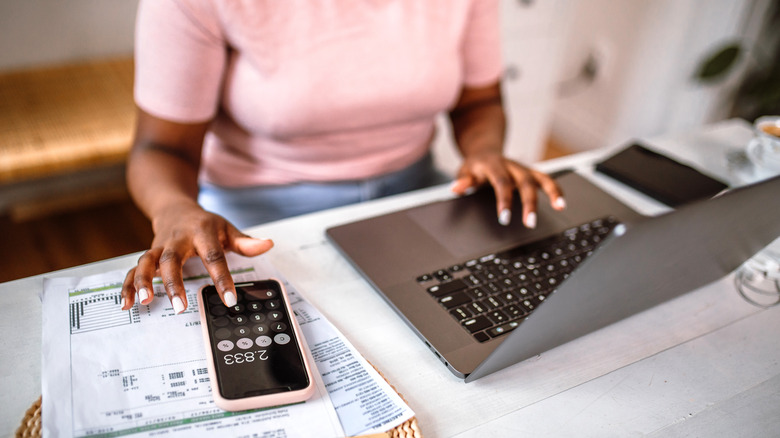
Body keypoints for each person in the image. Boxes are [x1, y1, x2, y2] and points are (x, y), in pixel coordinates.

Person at [120, 0, 566, 314]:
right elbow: (162, 148)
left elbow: (479, 101)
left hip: (411, 191)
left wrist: (484, 151)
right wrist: (174, 208)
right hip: (255, 215)